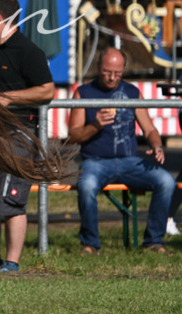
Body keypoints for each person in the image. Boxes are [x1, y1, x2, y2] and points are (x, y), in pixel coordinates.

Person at [0, 0, 55, 273]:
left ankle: (13, 263)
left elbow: (47, 90)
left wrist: (9, 97)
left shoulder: (28, 51)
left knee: (11, 201)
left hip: (17, 134)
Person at [67, 48, 174, 254]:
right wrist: (95, 126)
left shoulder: (133, 93)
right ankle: (90, 243)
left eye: (118, 73)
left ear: (124, 70)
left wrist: (156, 145)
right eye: (107, 72)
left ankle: (154, 241)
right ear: (98, 68)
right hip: (95, 161)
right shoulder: (83, 93)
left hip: (130, 160)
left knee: (166, 181)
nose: (112, 77)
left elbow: (150, 129)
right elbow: (73, 136)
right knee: (86, 185)